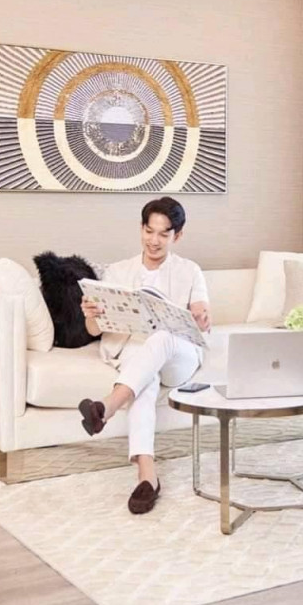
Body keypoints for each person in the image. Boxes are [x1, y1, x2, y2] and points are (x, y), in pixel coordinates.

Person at [78, 196, 211, 515]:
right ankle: (147, 477)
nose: (154, 240)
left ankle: (108, 406)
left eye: (164, 234)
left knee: (162, 336)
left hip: (178, 354)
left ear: (177, 235)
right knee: (145, 382)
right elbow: (95, 330)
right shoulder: (117, 271)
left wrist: (201, 317)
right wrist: (90, 314)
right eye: (149, 231)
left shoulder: (189, 271)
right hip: (134, 350)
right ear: (141, 228)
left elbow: (201, 320)